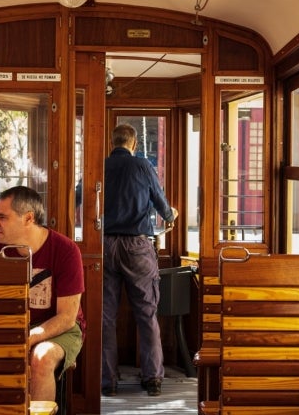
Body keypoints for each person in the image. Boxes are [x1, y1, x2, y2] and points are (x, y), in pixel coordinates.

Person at [0, 186, 85, 402]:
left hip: (61, 328)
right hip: (15, 327)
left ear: (28, 218)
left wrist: (26, 338)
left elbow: (67, 318)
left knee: (41, 358)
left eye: (2, 217)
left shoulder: (66, 250)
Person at [102, 123, 178, 397]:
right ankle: (152, 379)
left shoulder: (100, 166)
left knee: (106, 316)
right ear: (133, 144)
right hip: (137, 245)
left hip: (105, 244)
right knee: (146, 314)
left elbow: (79, 198)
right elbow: (160, 203)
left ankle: (107, 381)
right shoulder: (143, 166)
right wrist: (171, 216)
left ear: (113, 143)